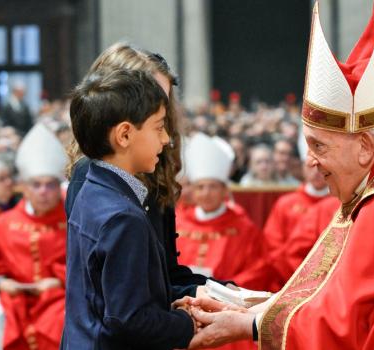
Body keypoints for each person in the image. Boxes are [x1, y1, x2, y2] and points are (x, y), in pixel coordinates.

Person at [184, 2, 374, 349]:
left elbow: (341, 323)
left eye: (320, 146)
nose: (310, 161)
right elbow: (326, 294)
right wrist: (244, 305)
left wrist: (246, 324)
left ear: (363, 147)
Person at [63, 69, 194, 349]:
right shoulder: (122, 217)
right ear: (124, 135)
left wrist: (167, 303)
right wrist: (187, 321)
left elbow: (110, 296)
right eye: (159, 127)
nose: (166, 139)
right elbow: (129, 320)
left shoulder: (91, 189)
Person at [64, 43, 209, 292]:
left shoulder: (155, 169)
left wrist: (228, 294)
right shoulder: (89, 178)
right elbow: (119, 298)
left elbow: (167, 272)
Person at [0, 123, 67, 350]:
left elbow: (86, 264)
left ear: (58, 186)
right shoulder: (4, 222)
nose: (43, 192)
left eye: (50, 185)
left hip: (57, 299)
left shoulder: (73, 221)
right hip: (13, 301)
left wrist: (59, 280)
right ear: (24, 188)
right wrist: (2, 283)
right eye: (36, 185)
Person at [176, 133, 264, 290]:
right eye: (200, 187)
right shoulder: (178, 222)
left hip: (227, 301)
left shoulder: (243, 227)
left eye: (213, 187)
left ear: (225, 191)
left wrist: (226, 289)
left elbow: (257, 269)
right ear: (193, 191)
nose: (206, 193)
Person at [262, 162, 329, 291]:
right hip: (286, 280)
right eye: (311, 166)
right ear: (303, 168)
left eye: (321, 166)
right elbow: (272, 246)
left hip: (328, 279)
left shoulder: (340, 203)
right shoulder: (285, 204)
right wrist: (300, 278)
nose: (316, 172)